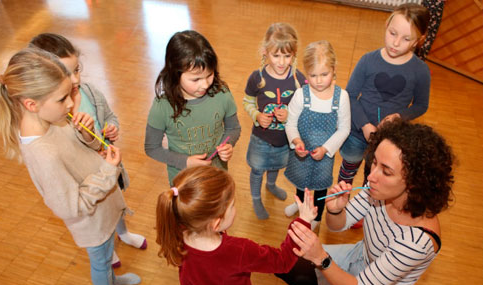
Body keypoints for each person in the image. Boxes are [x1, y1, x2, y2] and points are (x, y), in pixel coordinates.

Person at [277, 119, 454, 285]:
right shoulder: (378, 190)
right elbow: (338, 226)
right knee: (285, 264)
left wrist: (321, 258)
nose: (371, 176)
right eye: (375, 162)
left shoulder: (417, 242)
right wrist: (334, 210)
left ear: (415, 182)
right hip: (359, 257)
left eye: (386, 171)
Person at [0, 48, 142, 285]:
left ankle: (112, 281)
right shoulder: (43, 154)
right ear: (32, 104)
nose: (72, 104)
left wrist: (86, 135)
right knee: (100, 260)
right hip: (92, 224)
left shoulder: (53, 123)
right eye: (63, 99)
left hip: (102, 213)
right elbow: (70, 206)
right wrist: (108, 170)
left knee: (107, 258)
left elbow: (79, 156)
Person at [155, 166, 317, 285]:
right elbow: (283, 261)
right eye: (232, 205)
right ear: (216, 224)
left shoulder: (180, 233)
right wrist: (303, 221)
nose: (235, 208)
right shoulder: (239, 251)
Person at [29, 33, 147, 267]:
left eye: (76, 69)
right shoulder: (54, 117)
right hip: (91, 180)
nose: (74, 80)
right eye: (65, 74)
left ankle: (123, 233)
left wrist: (113, 127)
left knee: (115, 204)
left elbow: (109, 116)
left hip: (110, 167)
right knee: (101, 218)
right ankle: (109, 246)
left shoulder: (90, 92)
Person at [338, 3, 431, 187]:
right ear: (386, 26)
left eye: (406, 39)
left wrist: (399, 117)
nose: (396, 43)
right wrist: (364, 125)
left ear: (418, 40)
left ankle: (366, 214)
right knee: (345, 178)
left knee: (373, 182)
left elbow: (421, 105)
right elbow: (349, 95)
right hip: (357, 134)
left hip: (390, 140)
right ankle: (340, 208)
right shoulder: (368, 60)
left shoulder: (421, 71)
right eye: (392, 33)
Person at [144, 30, 242, 185]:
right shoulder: (162, 107)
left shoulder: (222, 94)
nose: (204, 84)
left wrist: (227, 144)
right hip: (184, 181)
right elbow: (152, 148)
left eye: (209, 75)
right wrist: (185, 161)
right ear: (175, 74)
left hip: (217, 175)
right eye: (195, 79)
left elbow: (233, 128)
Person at [283, 40, 351, 232]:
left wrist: (326, 149)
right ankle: (300, 205)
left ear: (334, 69)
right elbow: (291, 123)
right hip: (302, 152)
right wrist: (296, 141)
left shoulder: (342, 97)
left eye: (324, 74)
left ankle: (317, 217)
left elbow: (344, 129)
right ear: (306, 72)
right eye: (313, 75)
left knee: (320, 188)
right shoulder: (300, 95)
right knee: (300, 182)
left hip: (324, 155)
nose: (319, 80)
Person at [243, 22, 306, 220]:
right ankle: (255, 197)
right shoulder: (257, 78)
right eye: (276, 55)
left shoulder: (298, 79)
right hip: (261, 139)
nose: (281, 62)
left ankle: (271, 185)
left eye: (287, 56)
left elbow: (305, 106)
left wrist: (291, 115)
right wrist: (256, 116)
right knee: (257, 169)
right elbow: (247, 102)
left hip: (284, 140)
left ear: (294, 54)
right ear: (265, 52)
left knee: (277, 165)